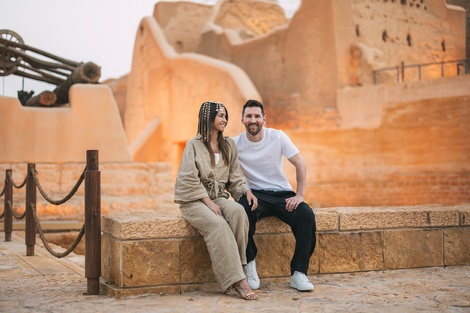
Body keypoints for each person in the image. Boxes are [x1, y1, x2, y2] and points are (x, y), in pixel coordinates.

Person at [174, 101, 259, 300]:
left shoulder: (228, 144)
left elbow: (235, 177)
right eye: (220, 115)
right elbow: (187, 179)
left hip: (219, 197)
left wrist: (245, 191)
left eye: (225, 116)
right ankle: (237, 281)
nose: (224, 120)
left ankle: (239, 269)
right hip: (194, 201)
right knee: (219, 225)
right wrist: (208, 203)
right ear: (208, 117)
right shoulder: (193, 145)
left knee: (239, 212)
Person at [233, 99, 317, 292]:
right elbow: (230, 173)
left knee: (306, 216)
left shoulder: (277, 137)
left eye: (256, 116)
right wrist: (246, 191)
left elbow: (300, 164)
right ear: (242, 120)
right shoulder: (235, 144)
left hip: (281, 193)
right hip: (254, 195)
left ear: (264, 119)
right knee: (240, 212)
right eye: (249, 116)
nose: (253, 120)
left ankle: (299, 273)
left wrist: (300, 195)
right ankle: (250, 265)